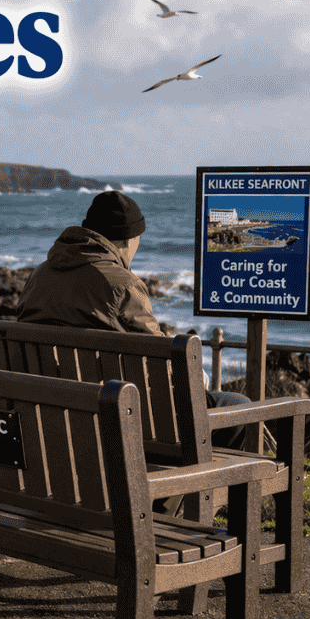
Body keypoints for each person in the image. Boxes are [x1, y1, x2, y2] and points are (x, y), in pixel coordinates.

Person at [17, 190, 251, 448]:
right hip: (115, 420)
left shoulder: (39, 275)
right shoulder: (121, 285)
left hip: (49, 413)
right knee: (237, 405)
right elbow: (160, 363)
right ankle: (205, 484)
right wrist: (192, 372)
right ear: (128, 239)